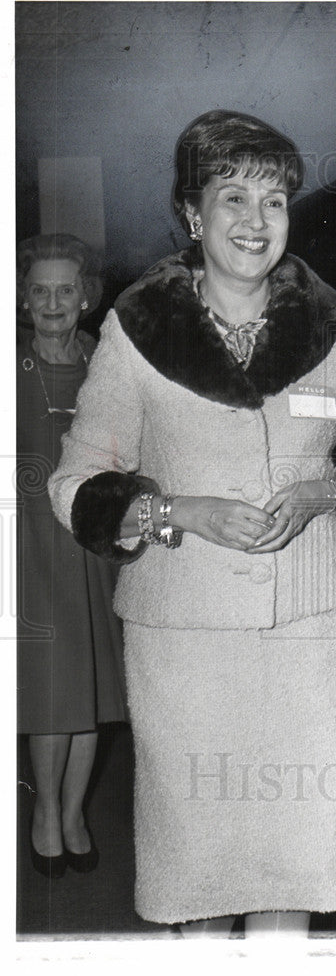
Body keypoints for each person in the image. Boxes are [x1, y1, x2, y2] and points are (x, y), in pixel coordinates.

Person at [49, 110, 336, 938]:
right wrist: (178, 512)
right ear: (191, 213)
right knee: (200, 877)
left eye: (275, 200)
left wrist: (327, 493)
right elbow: (77, 480)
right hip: (185, 640)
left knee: (294, 861)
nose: (256, 221)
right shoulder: (137, 331)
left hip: (310, 637)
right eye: (233, 197)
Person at [17, 233, 127, 879]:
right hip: (28, 548)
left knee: (94, 692)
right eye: (39, 290)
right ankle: (43, 813)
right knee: (52, 692)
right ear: (22, 297)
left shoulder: (103, 361)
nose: (53, 302)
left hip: (96, 548)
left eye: (65, 289)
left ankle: (75, 810)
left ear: (86, 297)